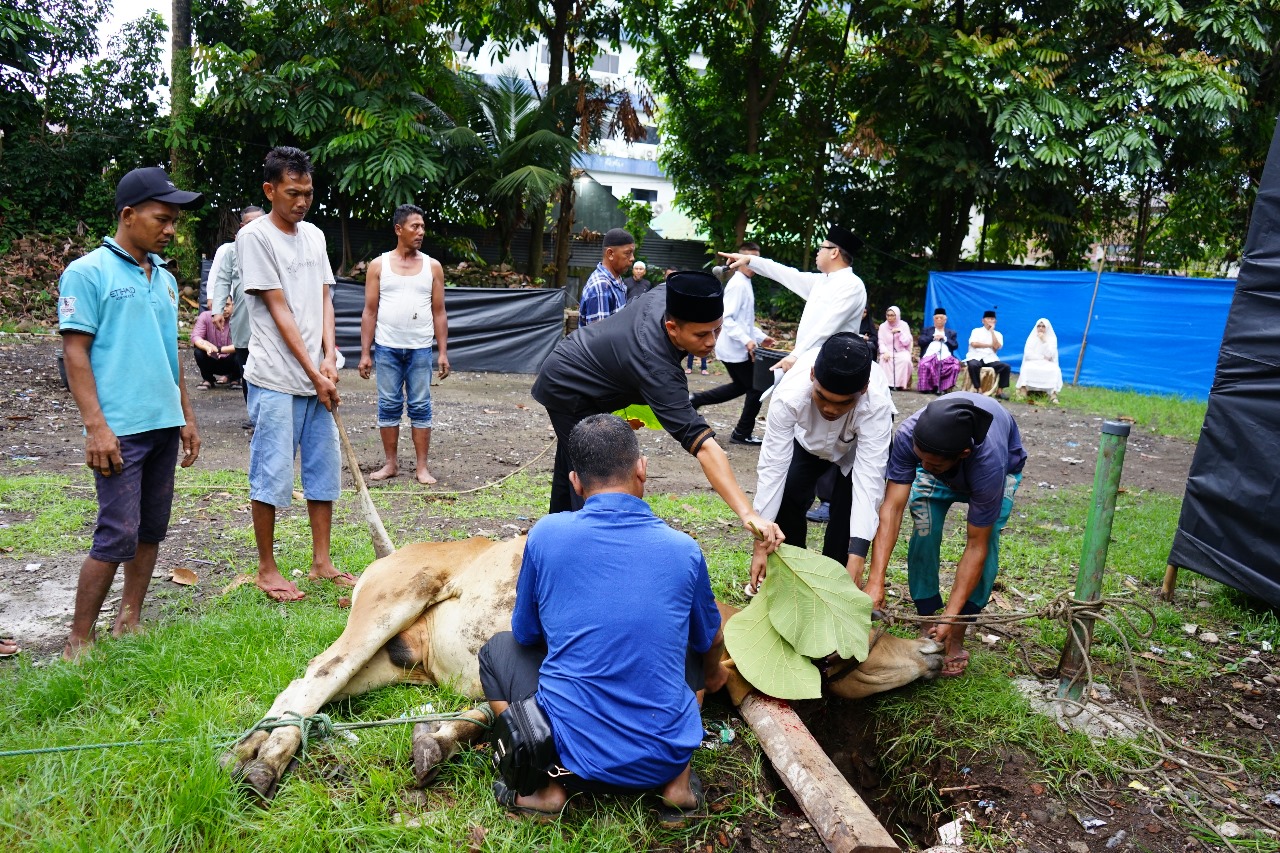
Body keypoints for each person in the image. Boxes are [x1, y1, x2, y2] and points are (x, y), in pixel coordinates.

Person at [477, 414, 725, 820]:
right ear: (642, 469)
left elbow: (524, 633)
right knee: (694, 642)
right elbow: (709, 641)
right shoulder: (684, 550)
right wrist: (713, 674)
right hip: (658, 762)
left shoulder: (546, 534)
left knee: (498, 648)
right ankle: (678, 787)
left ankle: (543, 790)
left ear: (575, 482)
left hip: (567, 759)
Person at [57, 166, 204, 659]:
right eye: (162, 219)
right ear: (128, 214)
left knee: (151, 527)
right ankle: (79, 639)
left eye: (174, 221)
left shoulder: (163, 278)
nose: (170, 230)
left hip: (163, 423)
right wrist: (96, 427)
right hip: (120, 429)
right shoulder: (88, 272)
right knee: (116, 530)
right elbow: (76, 353)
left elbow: (171, 354)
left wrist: (186, 415)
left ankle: (130, 620)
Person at [530, 270, 784, 550]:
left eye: (717, 329)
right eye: (701, 334)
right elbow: (705, 447)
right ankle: (588, 555)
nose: (712, 341)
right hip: (568, 386)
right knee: (597, 479)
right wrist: (748, 515)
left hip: (584, 366)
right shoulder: (657, 366)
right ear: (673, 327)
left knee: (573, 465)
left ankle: (550, 544)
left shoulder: (668, 295)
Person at [238, 145, 356, 602]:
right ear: (270, 190)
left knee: (324, 471)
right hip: (276, 378)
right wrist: (313, 371)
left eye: (307, 192)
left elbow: (325, 298)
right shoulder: (256, 238)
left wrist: (330, 356)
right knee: (270, 473)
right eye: (292, 193)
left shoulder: (314, 236)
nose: (302, 201)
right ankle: (266, 569)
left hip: (316, 378)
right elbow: (279, 309)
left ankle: (321, 562)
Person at [862, 394, 1026, 678]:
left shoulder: (989, 464)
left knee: (989, 542)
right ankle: (928, 619)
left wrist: (951, 617)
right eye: (920, 459)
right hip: (945, 460)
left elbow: (977, 545)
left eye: (933, 465)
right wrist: (876, 581)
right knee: (924, 529)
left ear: (963, 453)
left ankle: (957, 631)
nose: (924, 467)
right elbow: (892, 508)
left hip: (998, 470)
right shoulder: (908, 436)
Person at [750, 334, 894, 591]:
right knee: (789, 493)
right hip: (807, 442)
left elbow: (869, 482)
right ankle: (793, 574)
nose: (830, 409)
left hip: (854, 449)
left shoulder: (876, 406)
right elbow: (772, 468)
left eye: (843, 403)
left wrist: (858, 557)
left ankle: (835, 584)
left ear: (863, 390)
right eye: (822, 397)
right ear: (812, 375)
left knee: (847, 515)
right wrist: (760, 545)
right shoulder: (788, 396)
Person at [357, 203, 450, 484]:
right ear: (399, 229)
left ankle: (422, 468)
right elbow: (369, 311)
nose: (421, 232)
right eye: (415, 226)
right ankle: (391, 464)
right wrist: (365, 353)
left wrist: (443, 352)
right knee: (388, 404)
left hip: (421, 348)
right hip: (387, 347)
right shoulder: (378, 265)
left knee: (421, 405)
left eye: (422, 226)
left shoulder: (433, 267)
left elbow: (439, 311)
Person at [718, 225, 866, 373]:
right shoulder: (821, 280)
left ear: (834, 252)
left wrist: (796, 354)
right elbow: (785, 273)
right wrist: (750, 260)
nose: (818, 251)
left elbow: (827, 327)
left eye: (821, 247)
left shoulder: (852, 286)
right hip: (809, 361)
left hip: (834, 366)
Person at [690, 241, 775, 445]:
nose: (755, 264)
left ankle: (696, 400)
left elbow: (744, 320)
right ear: (740, 261)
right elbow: (727, 319)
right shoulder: (738, 285)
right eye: (751, 259)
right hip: (733, 348)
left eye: (757, 259)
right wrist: (748, 341)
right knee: (756, 389)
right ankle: (741, 433)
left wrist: (761, 337)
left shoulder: (745, 282)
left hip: (736, 348)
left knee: (741, 386)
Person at [209, 205, 266, 408]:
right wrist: (217, 310)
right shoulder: (232, 250)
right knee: (246, 368)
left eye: (261, 222)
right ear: (241, 227)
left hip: (271, 320)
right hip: (243, 319)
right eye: (251, 224)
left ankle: (267, 417)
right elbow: (223, 279)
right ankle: (254, 415)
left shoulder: (273, 245)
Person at [577, 228, 634, 326]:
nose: (632, 258)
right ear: (610, 254)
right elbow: (599, 337)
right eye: (627, 253)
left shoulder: (616, 280)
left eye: (632, 253)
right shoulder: (601, 287)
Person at [964, 309, 1012, 400]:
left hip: (990, 358)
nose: (990, 321)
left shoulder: (998, 334)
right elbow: (974, 344)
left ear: (995, 321)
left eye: (992, 319)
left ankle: (1000, 391)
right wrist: (989, 345)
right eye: (988, 319)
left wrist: (992, 331)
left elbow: (997, 346)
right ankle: (978, 389)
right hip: (976, 356)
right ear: (983, 320)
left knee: (1006, 367)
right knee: (973, 365)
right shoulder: (976, 331)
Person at [191, 306, 242, 389]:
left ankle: (235, 379)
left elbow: (243, 343)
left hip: (231, 361)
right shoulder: (205, 316)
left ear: (233, 305)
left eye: (227, 305)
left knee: (242, 352)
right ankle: (208, 379)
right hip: (211, 357)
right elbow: (195, 337)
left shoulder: (239, 318)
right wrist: (207, 346)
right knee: (198, 352)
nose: (224, 308)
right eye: (222, 305)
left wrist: (219, 350)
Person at [1016, 318, 1063, 403]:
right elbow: (1028, 354)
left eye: (1043, 326)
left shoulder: (1052, 339)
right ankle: (1023, 391)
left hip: (1047, 363)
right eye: (1039, 326)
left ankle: (1053, 395)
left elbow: (1050, 355)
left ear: (1047, 328)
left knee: (1055, 370)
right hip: (1033, 361)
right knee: (1027, 368)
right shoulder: (1031, 338)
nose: (1041, 328)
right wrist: (1041, 357)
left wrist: (1044, 341)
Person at [916, 307, 961, 394]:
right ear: (934, 319)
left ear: (945, 320)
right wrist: (933, 337)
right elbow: (921, 342)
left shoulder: (951, 333)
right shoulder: (927, 330)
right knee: (925, 364)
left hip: (946, 356)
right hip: (930, 354)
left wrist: (944, 338)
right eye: (937, 318)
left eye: (941, 318)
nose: (939, 320)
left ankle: (944, 387)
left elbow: (955, 345)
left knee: (955, 366)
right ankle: (927, 387)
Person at [877, 306, 913, 390]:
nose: (890, 317)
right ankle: (887, 384)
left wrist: (900, 332)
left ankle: (900, 384)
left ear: (897, 315)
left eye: (892, 315)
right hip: (888, 351)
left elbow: (907, 342)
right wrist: (885, 351)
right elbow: (881, 342)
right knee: (884, 360)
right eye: (888, 315)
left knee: (905, 360)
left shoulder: (903, 325)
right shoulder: (883, 326)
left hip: (901, 351)